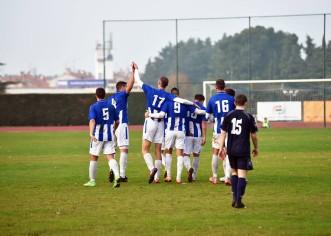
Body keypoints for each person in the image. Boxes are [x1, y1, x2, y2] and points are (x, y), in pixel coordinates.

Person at [134, 64, 197, 183]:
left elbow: (137, 80)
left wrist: (135, 69)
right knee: (158, 151)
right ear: (166, 85)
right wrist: (192, 103)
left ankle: (152, 169)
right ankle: (157, 177)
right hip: (161, 124)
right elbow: (181, 100)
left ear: (159, 82)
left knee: (145, 150)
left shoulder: (150, 90)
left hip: (151, 121)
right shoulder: (168, 95)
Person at [147, 87, 206, 183]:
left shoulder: (167, 103)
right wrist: (208, 112)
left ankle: (169, 176)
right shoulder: (184, 103)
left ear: (171, 94)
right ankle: (178, 178)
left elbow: (161, 115)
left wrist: (149, 114)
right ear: (178, 94)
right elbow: (198, 112)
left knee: (168, 152)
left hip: (170, 131)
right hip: (181, 132)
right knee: (180, 154)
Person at [218, 94, 258, 208]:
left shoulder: (228, 115)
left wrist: (221, 148)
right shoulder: (248, 116)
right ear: (245, 103)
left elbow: (223, 133)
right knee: (242, 175)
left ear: (235, 103)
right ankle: (239, 201)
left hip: (231, 149)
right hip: (243, 150)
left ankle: (235, 198)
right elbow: (253, 135)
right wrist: (256, 148)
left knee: (234, 172)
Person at [84, 87, 121, 188]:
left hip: (97, 136)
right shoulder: (111, 107)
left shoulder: (93, 107)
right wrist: (113, 129)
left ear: (96, 95)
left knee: (93, 157)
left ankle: (92, 181)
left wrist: (91, 133)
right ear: (104, 95)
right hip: (109, 136)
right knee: (110, 157)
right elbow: (117, 121)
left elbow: (92, 121)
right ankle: (117, 175)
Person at [107, 62, 136, 182]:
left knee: (111, 150)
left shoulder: (110, 99)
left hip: (110, 126)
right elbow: (131, 85)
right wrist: (134, 72)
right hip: (121, 124)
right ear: (122, 88)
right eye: (125, 87)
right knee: (123, 149)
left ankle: (113, 170)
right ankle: (122, 175)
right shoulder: (122, 96)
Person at [206, 79, 235, 184]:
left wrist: (214, 120)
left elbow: (207, 116)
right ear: (225, 86)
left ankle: (214, 178)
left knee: (215, 152)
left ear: (216, 87)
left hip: (218, 129)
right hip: (230, 130)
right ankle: (227, 177)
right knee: (228, 153)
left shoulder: (213, 99)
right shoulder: (232, 99)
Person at [183, 94, 207, 182]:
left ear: (194, 99)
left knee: (186, 154)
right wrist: (204, 136)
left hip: (187, 134)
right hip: (198, 135)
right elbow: (204, 124)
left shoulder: (188, 105)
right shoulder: (203, 108)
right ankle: (193, 176)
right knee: (196, 155)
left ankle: (189, 168)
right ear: (202, 101)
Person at [219, 87, 236, 185]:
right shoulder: (234, 105)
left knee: (226, 155)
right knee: (234, 155)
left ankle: (226, 176)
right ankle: (238, 176)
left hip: (222, 130)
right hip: (234, 133)